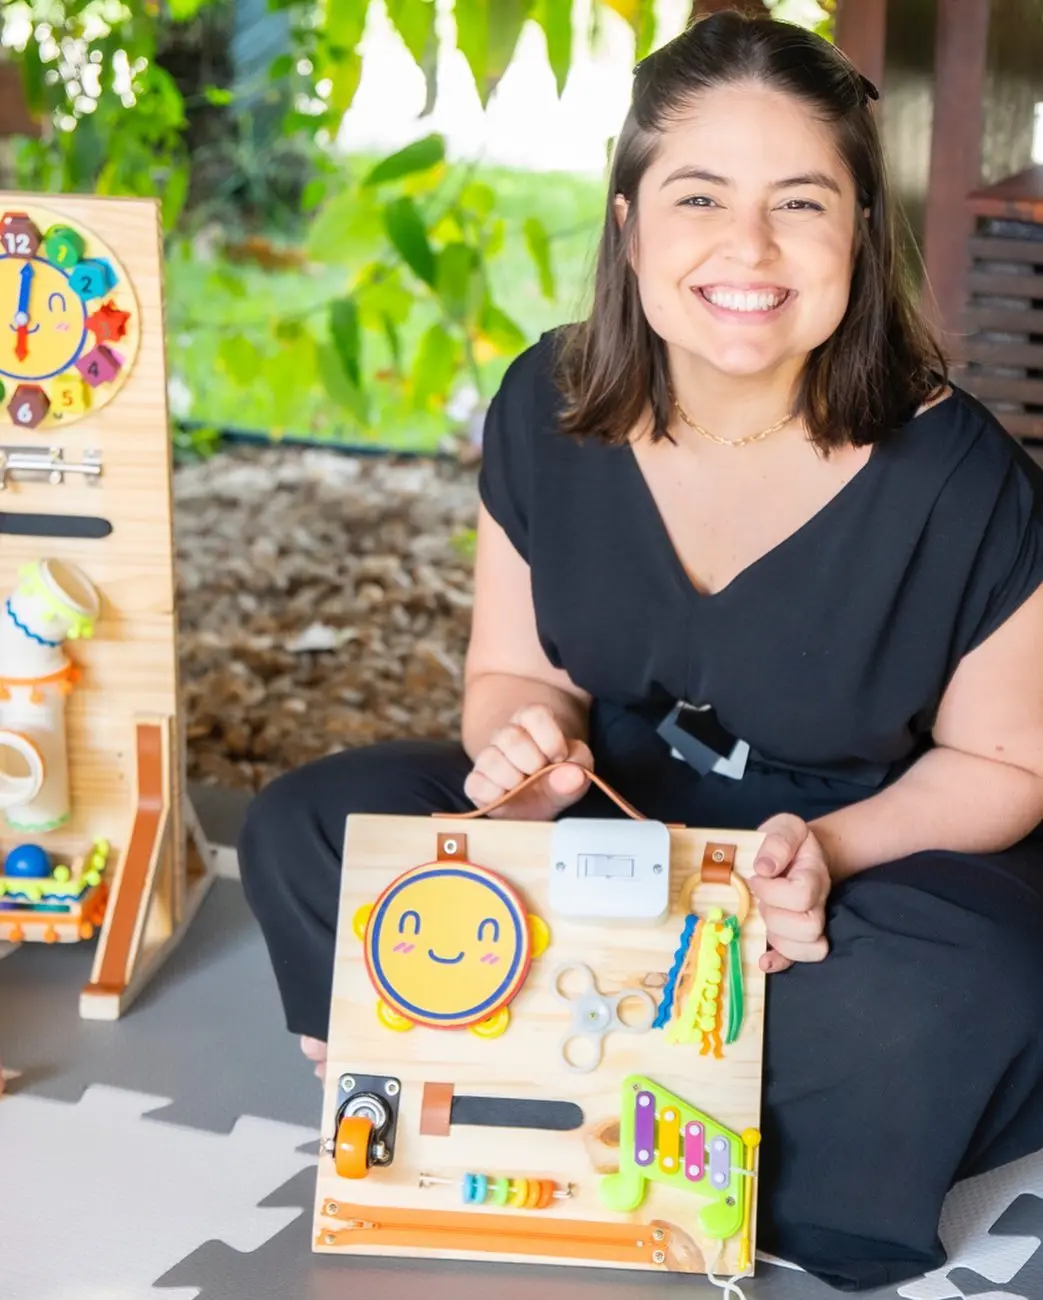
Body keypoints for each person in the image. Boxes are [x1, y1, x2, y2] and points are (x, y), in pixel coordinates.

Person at [238, 9, 1043, 1293]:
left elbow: (1002, 764)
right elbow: (512, 678)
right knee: (307, 827)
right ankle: (513, 1074)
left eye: (799, 203)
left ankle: (537, 1064)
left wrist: (827, 853)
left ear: (857, 235)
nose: (747, 248)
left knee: (976, 981)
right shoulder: (545, 405)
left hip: (844, 869)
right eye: (699, 196)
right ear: (627, 222)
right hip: (606, 825)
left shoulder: (960, 476)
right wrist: (533, 756)